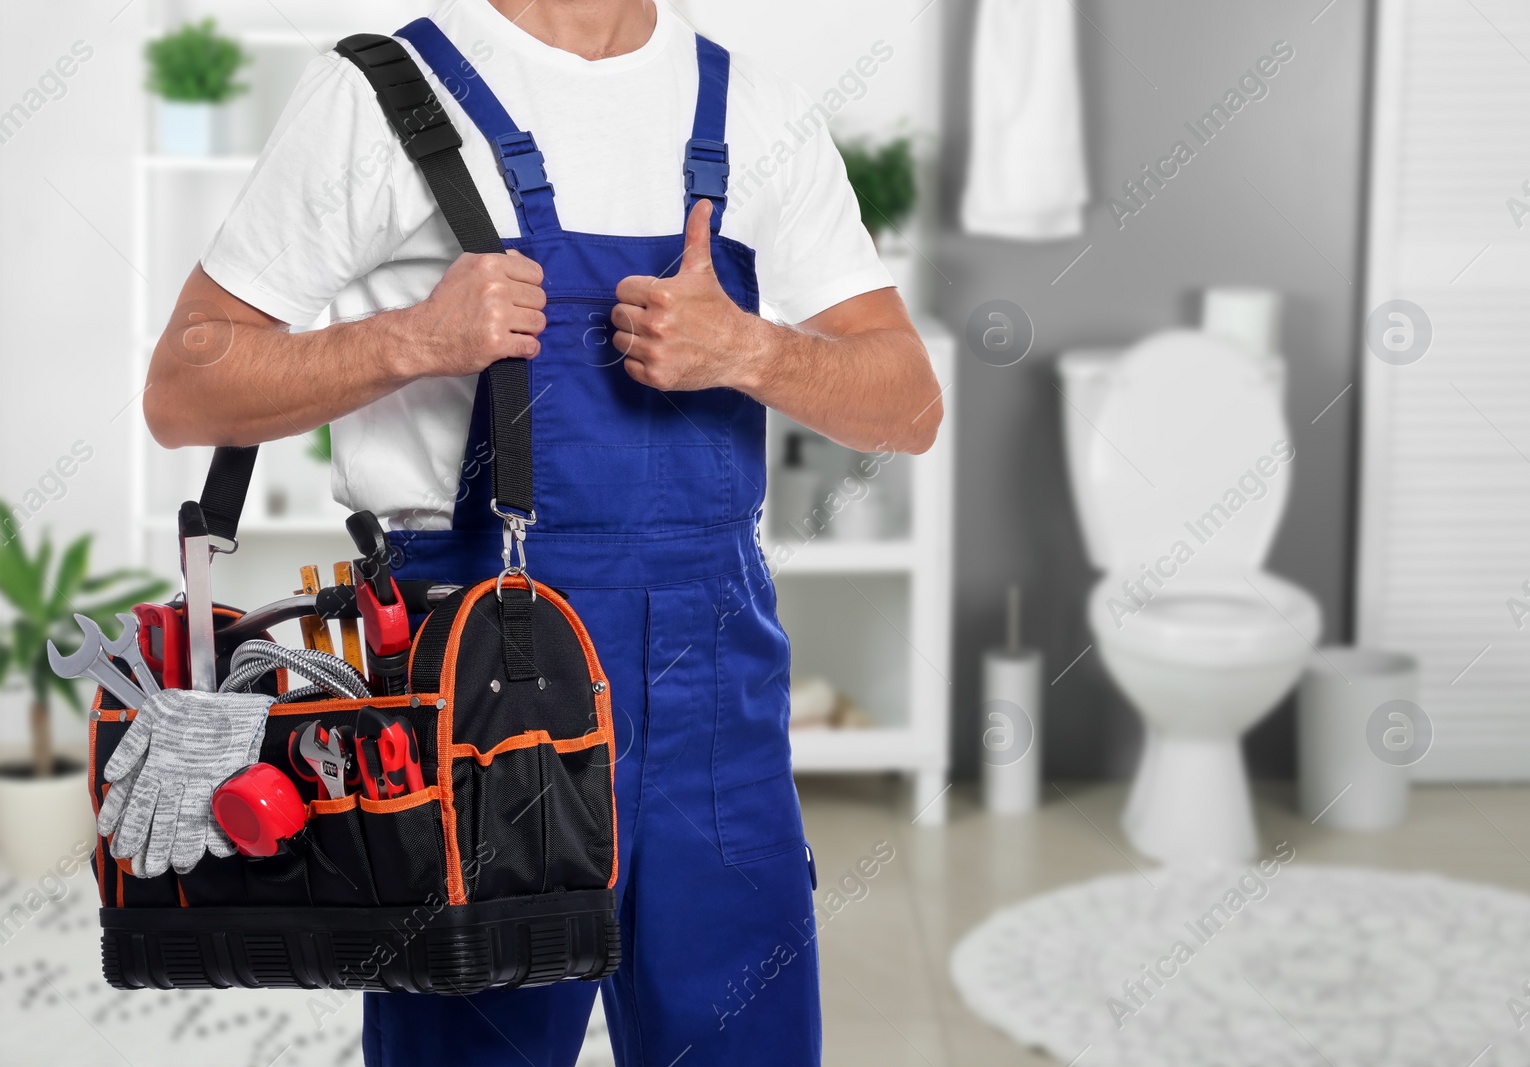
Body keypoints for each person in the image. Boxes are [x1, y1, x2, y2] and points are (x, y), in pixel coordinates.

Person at [143, 1, 941, 1064]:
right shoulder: (382, 94)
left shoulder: (756, 108)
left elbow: (910, 405)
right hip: (471, 704)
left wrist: (750, 350)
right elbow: (184, 386)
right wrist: (412, 338)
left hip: (716, 707)